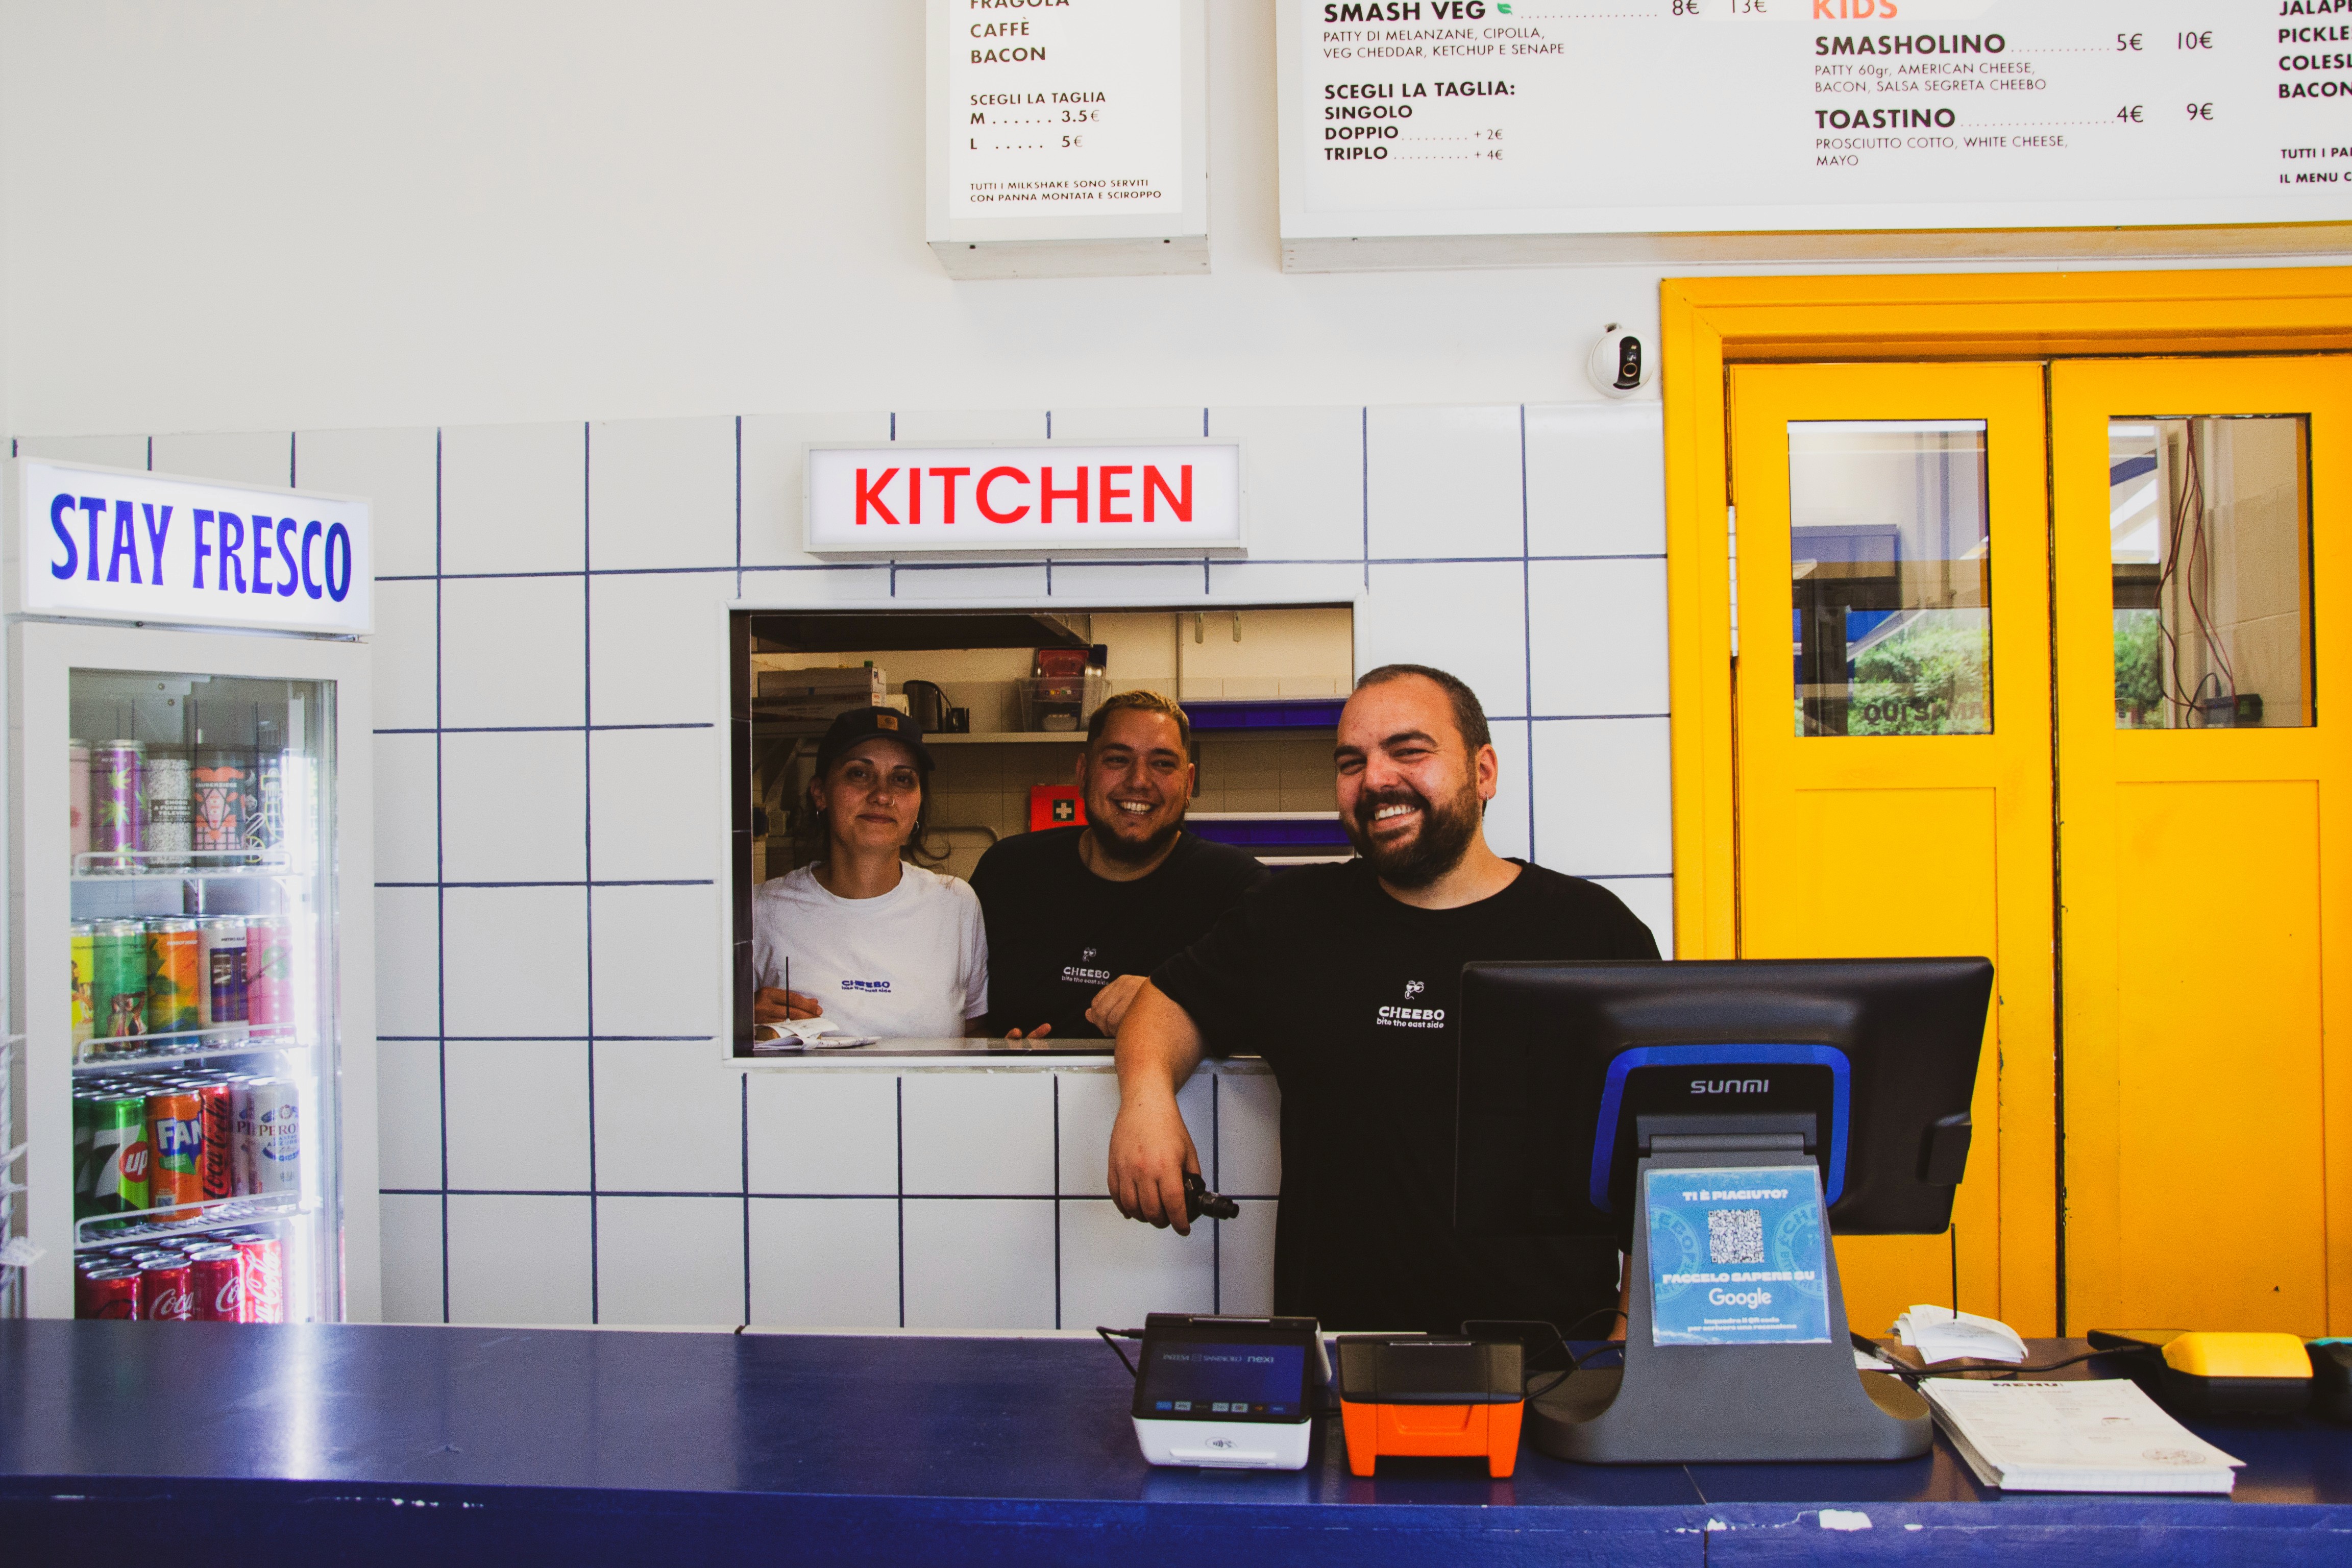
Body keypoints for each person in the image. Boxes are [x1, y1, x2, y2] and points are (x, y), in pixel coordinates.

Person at [1106, 664, 1660, 1334]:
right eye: (1351, 761)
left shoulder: (1592, 934)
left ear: (1483, 773)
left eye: (1409, 751)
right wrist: (1146, 1101)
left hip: (1548, 1370)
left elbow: (1658, 1164)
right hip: (1344, 1362)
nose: (1374, 781)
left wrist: (1625, 1347)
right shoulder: (1289, 917)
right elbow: (1168, 1003)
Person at [970, 690, 1266, 1041]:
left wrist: (1171, 1000)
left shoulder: (1234, 887)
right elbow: (965, 1017)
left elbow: (1279, 1013)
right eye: (1117, 760)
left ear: (1188, 783)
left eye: (1162, 764)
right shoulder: (1008, 873)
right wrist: (998, 1055)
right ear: (1083, 774)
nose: (1139, 780)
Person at [752, 706, 988, 1039]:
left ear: (918, 801)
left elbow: (976, 1034)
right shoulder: (762, 909)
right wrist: (736, 1020)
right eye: (859, 774)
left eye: (903, 779)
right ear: (820, 793)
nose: (882, 795)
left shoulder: (955, 904)